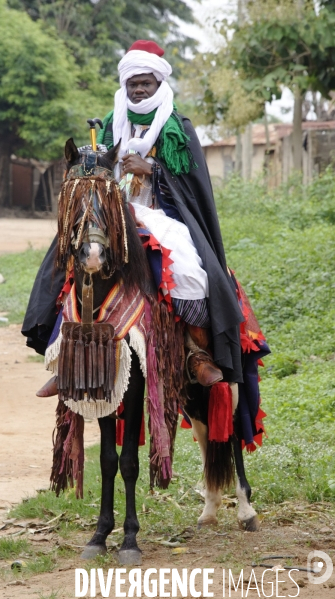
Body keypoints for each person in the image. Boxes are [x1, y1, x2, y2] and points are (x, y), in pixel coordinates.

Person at [22, 39, 244, 394]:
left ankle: (196, 351)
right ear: (124, 85)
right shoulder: (111, 123)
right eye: (133, 83)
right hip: (114, 211)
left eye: (146, 83)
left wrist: (152, 169)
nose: (139, 89)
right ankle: (65, 354)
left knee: (189, 269)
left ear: (158, 83)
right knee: (65, 264)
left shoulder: (177, 127)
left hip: (164, 215)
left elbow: (192, 185)